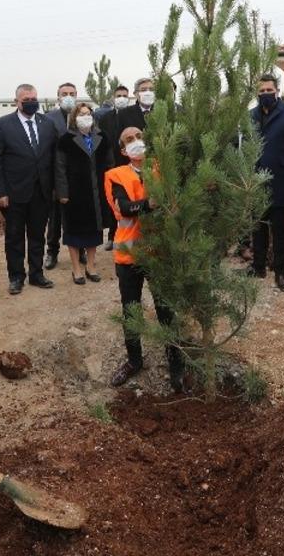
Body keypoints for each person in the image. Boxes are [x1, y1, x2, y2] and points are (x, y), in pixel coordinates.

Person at [104, 127, 184, 390]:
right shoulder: (116, 176)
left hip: (160, 253)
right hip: (129, 254)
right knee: (131, 309)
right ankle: (134, 361)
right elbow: (124, 207)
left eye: (139, 137)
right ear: (123, 150)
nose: (136, 142)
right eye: (129, 140)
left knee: (166, 311)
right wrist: (150, 203)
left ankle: (177, 366)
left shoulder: (163, 169)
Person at [0, 83, 58, 293]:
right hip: (14, 193)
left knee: (38, 235)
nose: (31, 103)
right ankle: (16, 277)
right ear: (16, 101)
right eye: (26, 100)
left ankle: (36, 274)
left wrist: (55, 188)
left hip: (41, 191)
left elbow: (53, 158)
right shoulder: (2, 125)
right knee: (14, 236)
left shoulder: (47, 123)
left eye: (34, 99)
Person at [247, 74, 284, 291]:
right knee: (258, 228)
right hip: (255, 181)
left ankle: (281, 272)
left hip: (281, 180)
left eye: (269, 90)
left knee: (280, 230)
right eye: (261, 91)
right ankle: (258, 266)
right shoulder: (250, 115)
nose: (265, 94)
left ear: (277, 91)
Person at [56, 101, 113, 284]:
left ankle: (91, 265)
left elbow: (110, 164)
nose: (85, 117)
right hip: (74, 193)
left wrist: (110, 188)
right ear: (74, 118)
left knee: (94, 232)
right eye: (81, 114)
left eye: (88, 113)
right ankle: (76, 269)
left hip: (96, 192)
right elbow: (60, 168)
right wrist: (63, 193)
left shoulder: (102, 137)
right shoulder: (65, 140)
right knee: (74, 231)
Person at [44, 82, 79, 269]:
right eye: (64, 93)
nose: (68, 96)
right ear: (58, 97)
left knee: (78, 216)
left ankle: (80, 250)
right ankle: (52, 252)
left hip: (78, 176)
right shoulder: (49, 119)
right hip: (56, 176)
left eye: (71, 93)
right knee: (55, 218)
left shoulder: (83, 116)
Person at [98, 85, 129, 250]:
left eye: (125, 95)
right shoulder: (105, 118)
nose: (122, 98)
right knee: (112, 201)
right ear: (114, 97)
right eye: (119, 95)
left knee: (129, 201)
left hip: (129, 165)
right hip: (111, 165)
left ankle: (129, 237)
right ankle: (112, 235)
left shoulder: (132, 115)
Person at [113, 76, 157, 165]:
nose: (148, 92)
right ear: (136, 94)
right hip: (133, 164)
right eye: (143, 90)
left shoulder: (163, 111)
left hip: (159, 165)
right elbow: (119, 143)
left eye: (151, 89)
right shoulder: (124, 114)